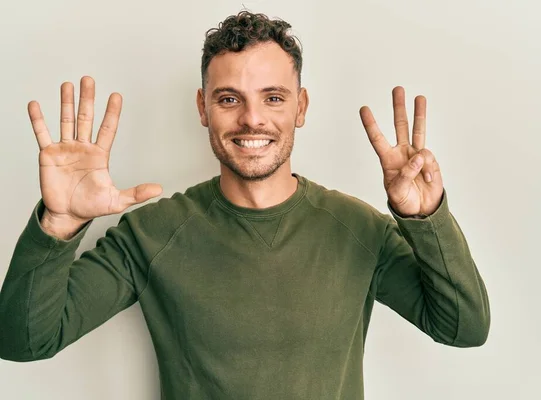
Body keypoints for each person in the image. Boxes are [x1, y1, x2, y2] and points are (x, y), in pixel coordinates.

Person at [0, 11, 490, 400]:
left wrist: (426, 219)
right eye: (230, 99)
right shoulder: (150, 234)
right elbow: (24, 341)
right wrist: (58, 224)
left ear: (300, 107)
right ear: (202, 107)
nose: (252, 119)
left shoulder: (359, 229)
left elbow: (463, 327)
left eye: (273, 97)